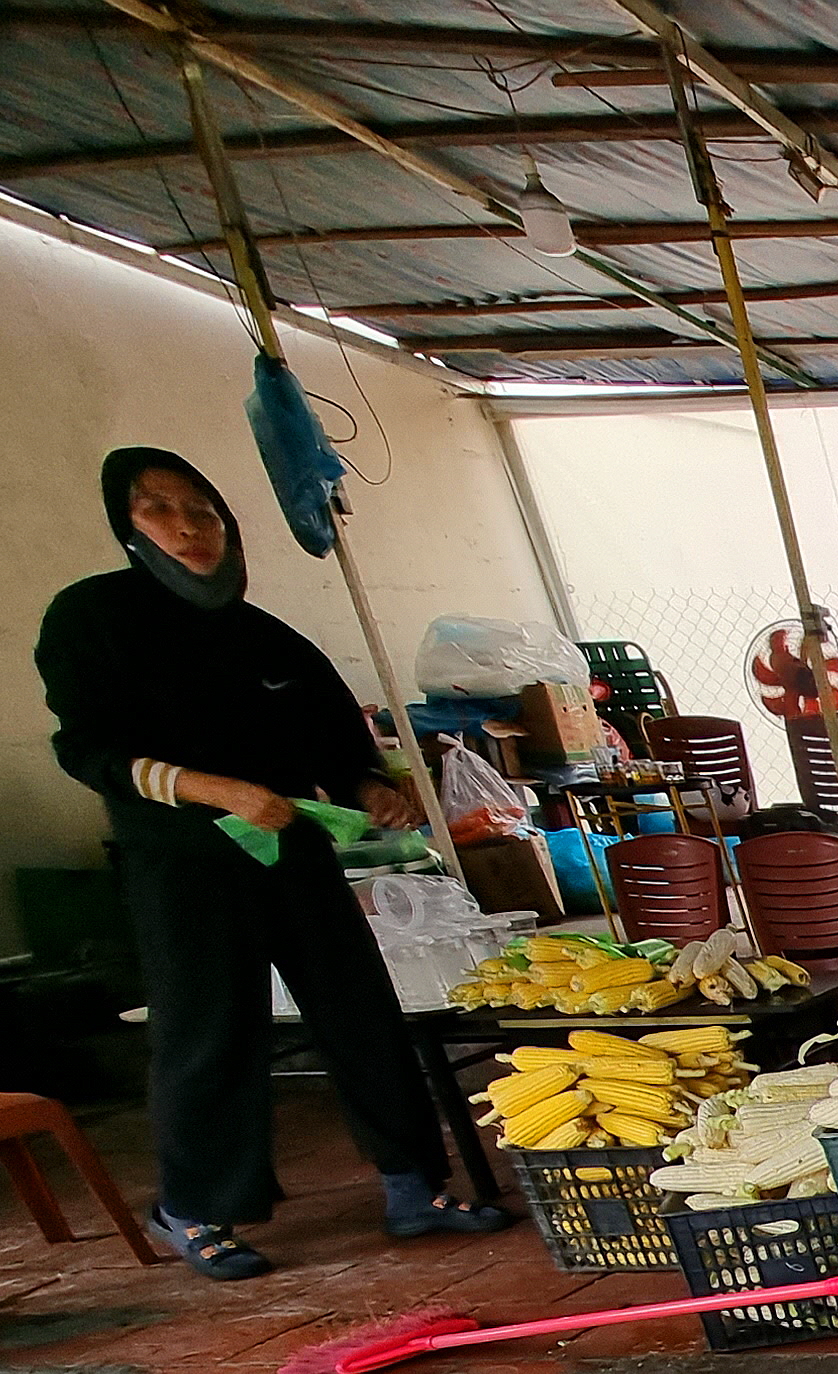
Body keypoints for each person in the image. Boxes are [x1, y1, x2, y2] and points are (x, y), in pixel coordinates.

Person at [38, 447, 508, 1278]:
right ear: (127, 526)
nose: (188, 527)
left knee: (358, 1009)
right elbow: (87, 747)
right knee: (210, 1030)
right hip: (179, 864)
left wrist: (372, 788)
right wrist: (211, 790)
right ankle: (193, 1207)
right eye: (160, 510)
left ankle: (413, 1185)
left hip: (292, 855)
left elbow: (341, 746)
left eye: (205, 510)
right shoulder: (94, 619)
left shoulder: (271, 642)